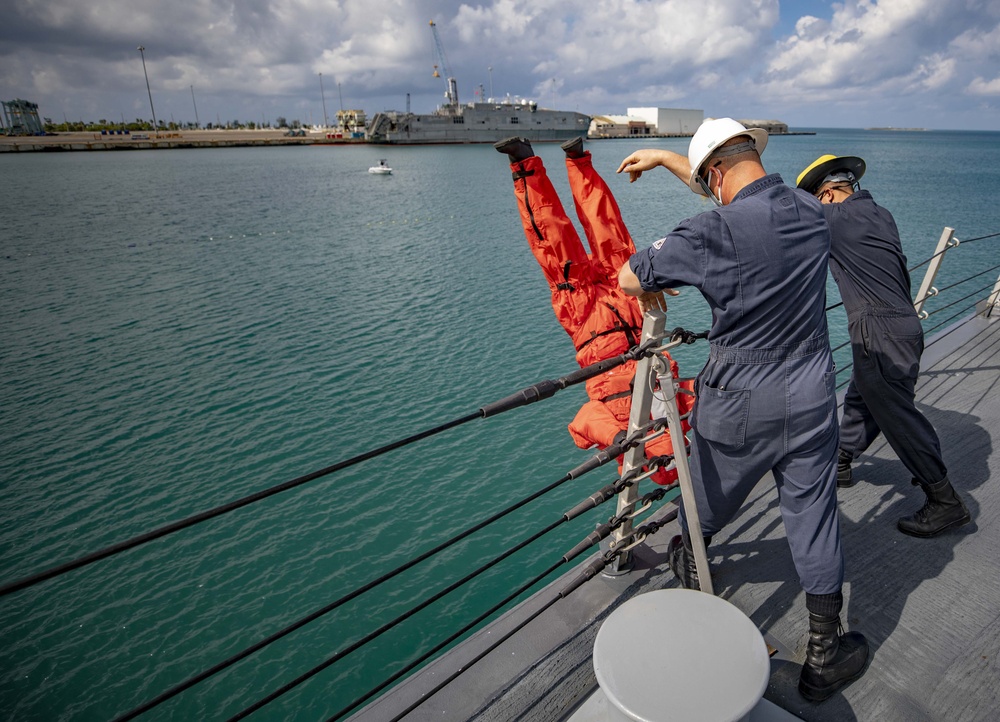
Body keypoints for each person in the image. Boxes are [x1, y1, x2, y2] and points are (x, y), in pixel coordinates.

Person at [617, 118, 869, 702]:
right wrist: (669, 158)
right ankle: (824, 655)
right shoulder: (812, 213)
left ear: (714, 175)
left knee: (701, 508)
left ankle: (689, 594)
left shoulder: (711, 231)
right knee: (814, 516)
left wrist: (669, 181)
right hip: (809, 394)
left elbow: (631, 276)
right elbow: (740, 191)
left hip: (737, 404)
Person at [494, 135, 694, 486]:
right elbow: (702, 390)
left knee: (553, 240)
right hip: (633, 311)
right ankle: (577, 159)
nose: (669, 450)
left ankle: (524, 164)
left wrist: (619, 441)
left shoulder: (627, 434)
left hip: (588, 321)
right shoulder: (681, 415)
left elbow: (583, 421)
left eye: (664, 459)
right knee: (606, 228)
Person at [796, 155, 970, 537]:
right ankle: (841, 459)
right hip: (904, 325)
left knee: (897, 416)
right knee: (864, 393)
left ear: (825, 194)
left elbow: (769, 214)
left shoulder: (832, 219)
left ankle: (945, 501)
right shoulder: (879, 213)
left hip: (879, 330)